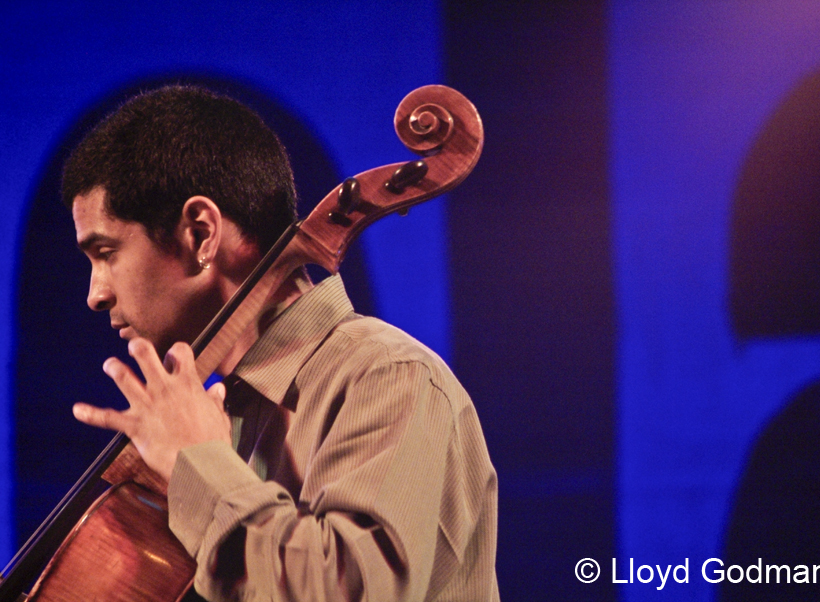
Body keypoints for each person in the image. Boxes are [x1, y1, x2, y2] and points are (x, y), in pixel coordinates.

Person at [62, 85, 500, 601]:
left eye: (106, 251)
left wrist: (197, 459)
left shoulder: (385, 375)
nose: (95, 293)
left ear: (201, 234)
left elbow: (344, 592)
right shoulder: (228, 411)